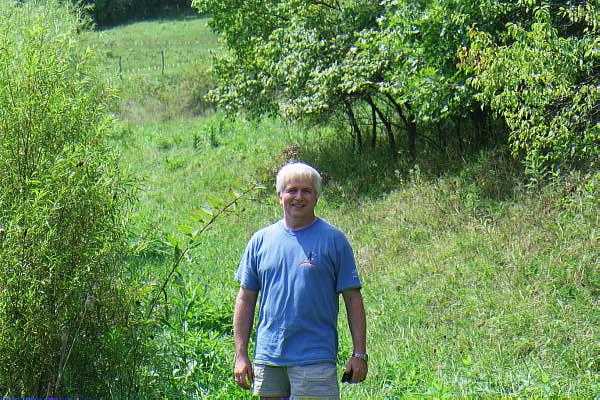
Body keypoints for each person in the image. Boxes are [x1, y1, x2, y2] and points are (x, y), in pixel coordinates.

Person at [233, 162, 367, 399]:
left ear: (316, 197)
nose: (298, 197)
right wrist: (241, 354)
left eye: (306, 191)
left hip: (315, 357)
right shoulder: (260, 241)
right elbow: (245, 298)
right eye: (291, 190)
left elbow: (353, 299)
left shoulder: (334, 240)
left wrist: (359, 354)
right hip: (269, 357)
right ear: (279, 196)